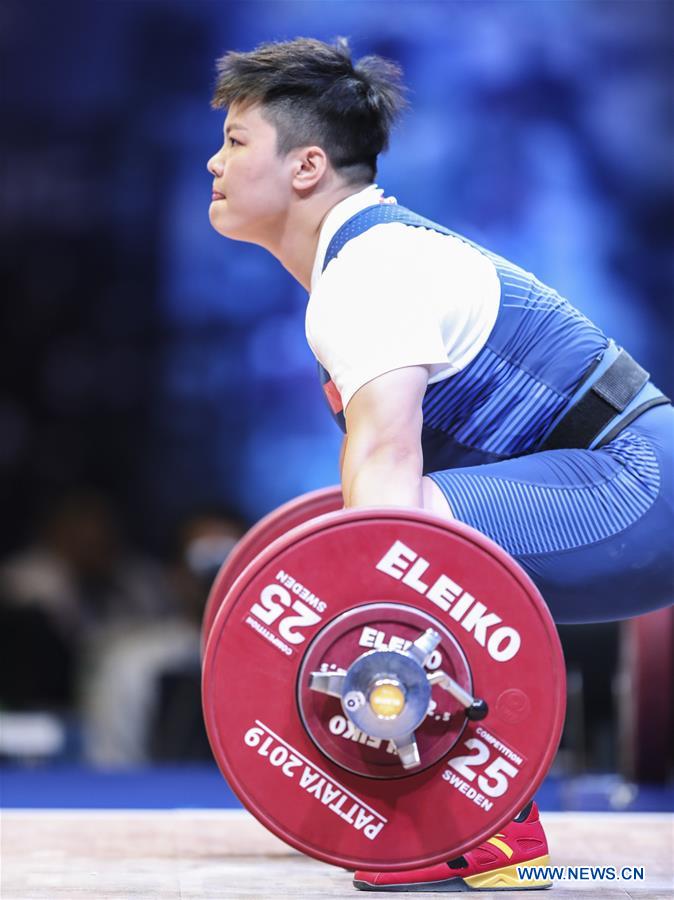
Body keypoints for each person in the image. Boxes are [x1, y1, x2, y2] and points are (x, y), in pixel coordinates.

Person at [206, 37, 673, 892]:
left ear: (307, 167)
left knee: (398, 531)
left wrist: (368, 673)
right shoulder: (363, 262)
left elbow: (390, 491)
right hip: (619, 484)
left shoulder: (370, 272)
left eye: (237, 141)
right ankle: (439, 805)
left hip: (640, 488)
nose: (215, 162)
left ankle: (487, 829)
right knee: (360, 531)